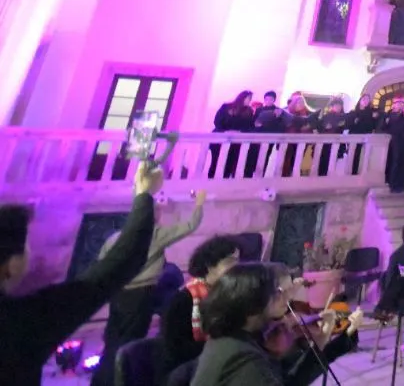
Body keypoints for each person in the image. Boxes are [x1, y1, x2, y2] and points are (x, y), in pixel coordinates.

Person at [0, 163, 163, 386]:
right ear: (12, 264)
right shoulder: (23, 321)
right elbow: (118, 265)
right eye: (28, 246)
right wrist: (144, 195)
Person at [91, 189, 208, 386]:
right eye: (157, 211)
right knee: (130, 341)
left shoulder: (116, 237)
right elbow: (190, 225)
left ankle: (101, 381)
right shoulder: (154, 234)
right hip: (139, 294)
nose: (160, 214)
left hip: (117, 292)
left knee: (112, 340)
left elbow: (102, 262)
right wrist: (199, 204)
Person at [191, 262, 358, 386]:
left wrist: (323, 340)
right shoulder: (243, 358)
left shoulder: (233, 337)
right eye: (279, 293)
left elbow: (288, 380)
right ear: (252, 304)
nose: (287, 299)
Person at [157, 235, 242, 385]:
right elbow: (175, 348)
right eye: (230, 262)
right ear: (210, 266)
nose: (237, 267)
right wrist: (220, 349)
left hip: (213, 362)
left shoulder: (227, 295)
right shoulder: (184, 299)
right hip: (183, 371)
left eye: (238, 261)